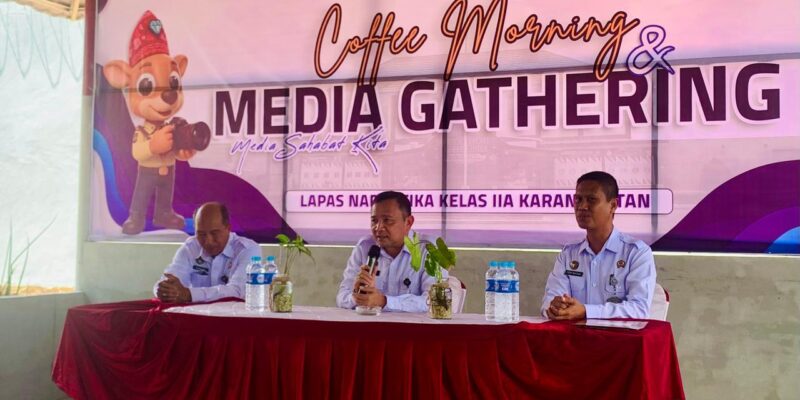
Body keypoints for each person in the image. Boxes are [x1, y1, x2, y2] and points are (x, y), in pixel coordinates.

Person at [541, 171, 656, 320]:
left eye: (592, 200)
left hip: (617, 335)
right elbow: (549, 302)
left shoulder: (636, 253)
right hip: (574, 334)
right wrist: (555, 307)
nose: (582, 206)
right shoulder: (568, 253)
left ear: (613, 205)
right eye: (578, 199)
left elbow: (639, 309)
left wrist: (586, 311)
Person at [336, 191, 443, 312]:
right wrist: (357, 297)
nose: (378, 228)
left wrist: (384, 302)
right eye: (374, 220)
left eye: (387, 220)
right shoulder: (364, 247)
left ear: (408, 222)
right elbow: (342, 297)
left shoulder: (430, 249)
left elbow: (436, 302)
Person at [154, 202, 261, 303]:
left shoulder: (248, 249)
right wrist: (165, 289)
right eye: (201, 234)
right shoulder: (190, 247)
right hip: (195, 314)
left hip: (236, 314)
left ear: (228, 228)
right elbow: (171, 279)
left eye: (214, 233)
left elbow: (237, 291)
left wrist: (189, 295)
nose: (208, 241)